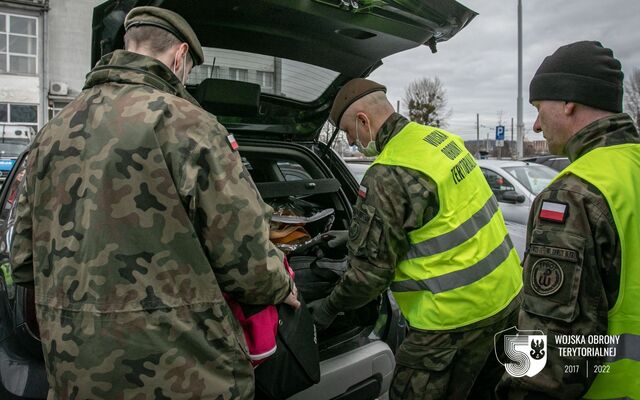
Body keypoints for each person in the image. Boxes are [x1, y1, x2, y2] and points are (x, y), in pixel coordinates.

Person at [10, 6, 298, 399]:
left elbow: (23, 261)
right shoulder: (188, 124)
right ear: (180, 57)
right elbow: (248, 264)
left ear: (129, 45)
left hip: (76, 374)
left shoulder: (52, 132)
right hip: (183, 376)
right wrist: (282, 285)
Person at [310, 78, 523, 399]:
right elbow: (440, 218)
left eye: (349, 133)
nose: (351, 143)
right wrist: (353, 235)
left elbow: (368, 279)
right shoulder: (443, 141)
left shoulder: (388, 171)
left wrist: (325, 310)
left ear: (363, 120)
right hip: (509, 305)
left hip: (451, 325)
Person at [497, 41, 640, 399]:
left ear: (567, 101)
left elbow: (549, 348)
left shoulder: (573, 194)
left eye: (538, 108)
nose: (535, 125)